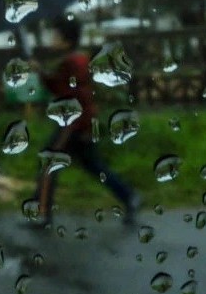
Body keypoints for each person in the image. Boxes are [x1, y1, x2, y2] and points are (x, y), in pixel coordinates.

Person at [32, 15, 140, 227]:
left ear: (65, 40)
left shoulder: (72, 62)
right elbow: (61, 89)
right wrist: (42, 74)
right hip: (84, 122)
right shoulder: (76, 60)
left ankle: (42, 213)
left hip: (73, 123)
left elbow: (66, 95)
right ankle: (129, 196)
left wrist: (43, 75)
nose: (51, 39)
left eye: (55, 36)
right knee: (93, 166)